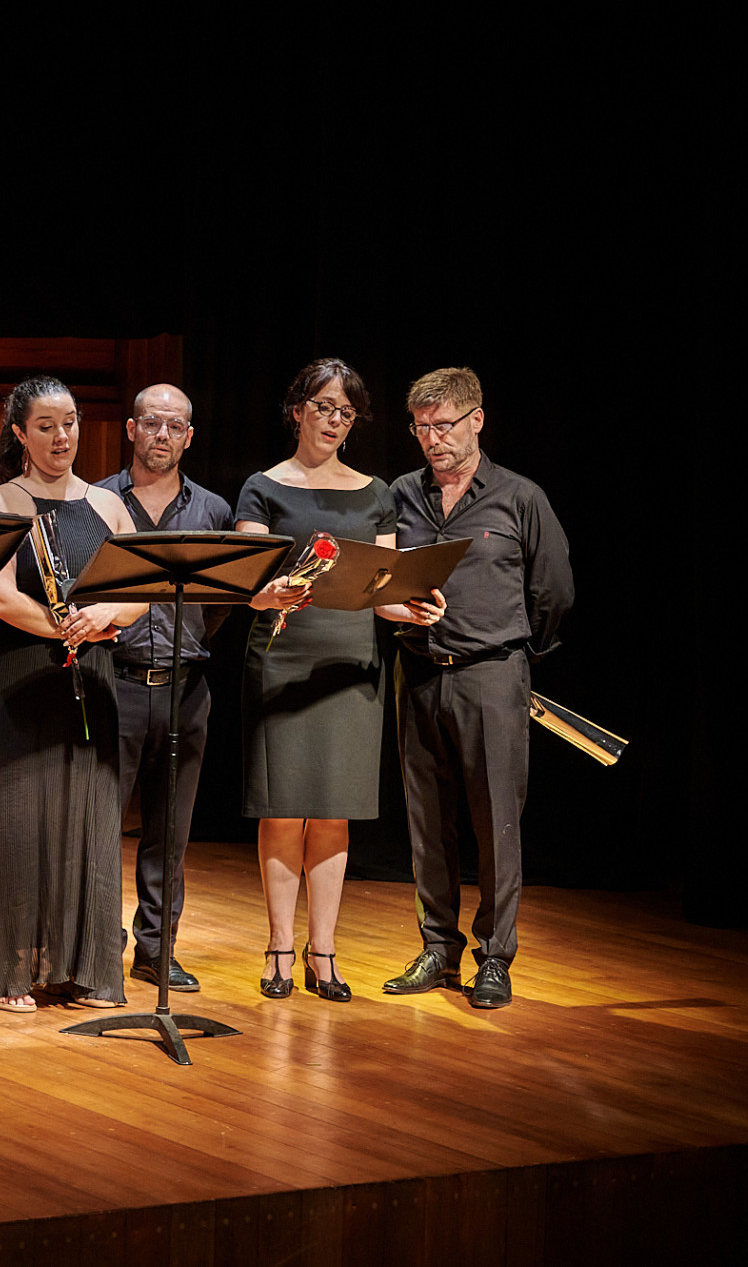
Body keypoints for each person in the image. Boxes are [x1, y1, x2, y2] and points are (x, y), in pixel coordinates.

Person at [235, 359, 440, 1003]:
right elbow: (248, 585)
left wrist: (410, 607)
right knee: (282, 809)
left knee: (332, 811)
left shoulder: (375, 492)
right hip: (283, 655)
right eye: (323, 407)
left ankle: (322, 950)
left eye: (346, 412)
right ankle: (278, 947)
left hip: (351, 662)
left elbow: (381, 591)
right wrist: (267, 593)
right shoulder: (262, 487)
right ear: (297, 410)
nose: (333, 420)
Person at [0, 376, 145, 1013]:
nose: (61, 437)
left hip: (88, 673)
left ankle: (78, 970)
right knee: (18, 819)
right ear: (20, 433)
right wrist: (66, 627)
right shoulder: (0, 501)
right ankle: (9, 971)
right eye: (45, 426)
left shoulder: (109, 504)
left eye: (69, 423)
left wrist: (106, 615)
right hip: (16, 674)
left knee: (87, 817)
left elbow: (140, 589)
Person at [382, 368, 572, 1010]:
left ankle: (495, 956)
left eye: (443, 426)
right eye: (421, 428)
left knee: (496, 821)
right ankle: (438, 948)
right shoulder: (401, 495)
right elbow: (382, 577)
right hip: (417, 672)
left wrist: (516, 655)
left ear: (477, 420)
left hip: (491, 674)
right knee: (427, 820)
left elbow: (554, 591)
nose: (432, 439)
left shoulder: (520, 497)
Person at [94, 384, 233, 994]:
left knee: (170, 832)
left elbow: (221, 602)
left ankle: (157, 950)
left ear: (189, 437)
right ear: (131, 428)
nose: (162, 435)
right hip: (114, 682)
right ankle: (99, 951)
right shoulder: (97, 501)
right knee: (100, 825)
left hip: (184, 690)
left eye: (175, 426)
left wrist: (188, 645)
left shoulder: (213, 511)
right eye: (152, 423)